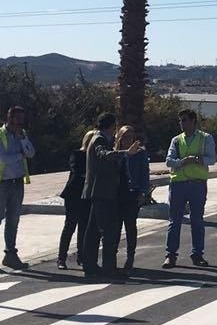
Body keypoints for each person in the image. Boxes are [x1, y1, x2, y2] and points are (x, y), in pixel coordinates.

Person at [81, 112, 144, 280]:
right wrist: (126, 153)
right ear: (110, 126)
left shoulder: (100, 139)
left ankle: (90, 265)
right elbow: (104, 155)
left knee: (93, 230)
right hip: (103, 191)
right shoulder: (99, 140)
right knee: (109, 231)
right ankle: (108, 268)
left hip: (100, 191)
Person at [0, 105, 36, 272]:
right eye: (18, 119)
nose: (21, 122)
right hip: (1, 183)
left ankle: (10, 255)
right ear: (10, 118)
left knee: (13, 221)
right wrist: (20, 155)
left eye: (22, 119)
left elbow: (31, 153)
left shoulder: (22, 135)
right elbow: (3, 158)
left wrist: (23, 139)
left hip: (17, 183)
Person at [164, 108, 216, 268]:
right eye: (180, 121)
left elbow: (212, 159)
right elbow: (169, 161)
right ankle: (171, 255)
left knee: (197, 220)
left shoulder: (205, 138)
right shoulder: (176, 140)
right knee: (174, 221)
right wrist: (182, 162)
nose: (182, 124)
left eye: (184, 120)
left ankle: (197, 255)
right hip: (178, 184)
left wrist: (199, 160)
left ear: (194, 121)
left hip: (197, 184)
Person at [57, 130, 97, 270]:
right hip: (73, 195)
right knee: (70, 226)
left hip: (87, 195)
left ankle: (82, 256)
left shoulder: (96, 157)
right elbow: (77, 170)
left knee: (84, 227)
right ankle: (61, 258)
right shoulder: (77, 154)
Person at [114, 124, 149, 271]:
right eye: (125, 137)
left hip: (132, 193)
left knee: (130, 225)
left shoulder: (140, 153)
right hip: (117, 194)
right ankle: (112, 257)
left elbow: (144, 174)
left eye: (130, 137)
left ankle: (130, 256)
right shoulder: (116, 153)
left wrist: (143, 193)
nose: (128, 140)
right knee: (115, 227)